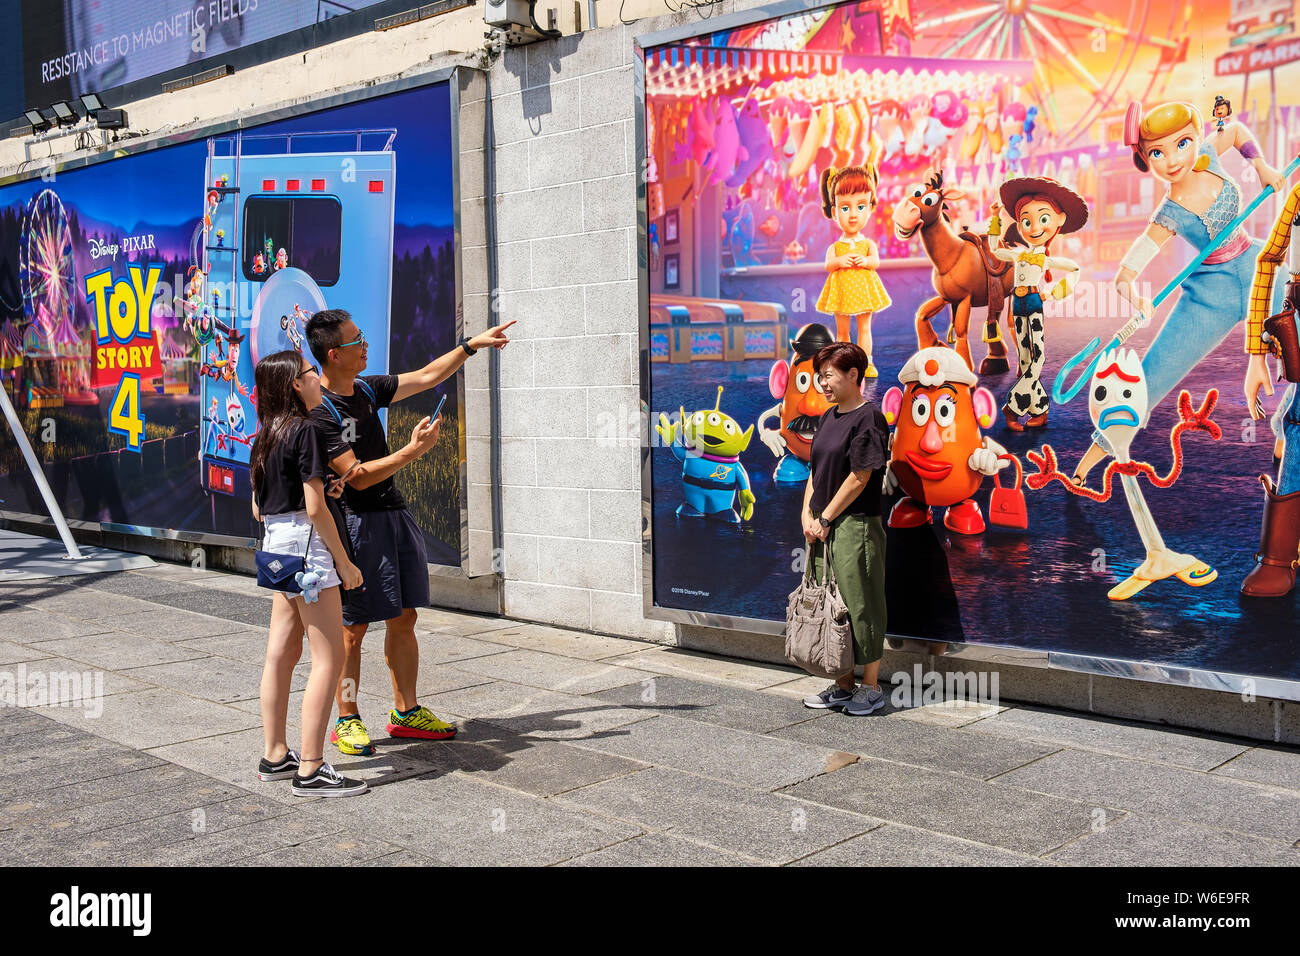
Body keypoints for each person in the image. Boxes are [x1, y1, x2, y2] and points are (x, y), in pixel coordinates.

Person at [304, 309, 514, 756]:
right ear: (333, 353)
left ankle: (406, 712)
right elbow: (356, 476)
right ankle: (347, 719)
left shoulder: (365, 387)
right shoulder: (320, 412)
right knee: (352, 628)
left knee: (404, 616)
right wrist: (414, 451)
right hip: (354, 525)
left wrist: (471, 345)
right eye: (357, 339)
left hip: (393, 516)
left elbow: (426, 375)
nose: (366, 344)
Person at [1070, 100, 1286, 486]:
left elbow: (1235, 132)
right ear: (1144, 158)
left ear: (1196, 137)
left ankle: (1290, 427)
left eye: (1181, 144)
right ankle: (1088, 462)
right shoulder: (1168, 213)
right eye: (1157, 152)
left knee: (1298, 331)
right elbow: (1126, 272)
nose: (1171, 160)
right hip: (1209, 296)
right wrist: (1133, 295)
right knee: (1153, 375)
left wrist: (1262, 166)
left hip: (1257, 266)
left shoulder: (1208, 154)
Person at [250, 349, 368, 797]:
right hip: (309, 554)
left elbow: (261, 507)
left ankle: (276, 754)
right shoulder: (307, 430)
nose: (318, 377)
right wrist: (344, 562)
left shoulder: (266, 435)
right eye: (310, 373)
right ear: (295, 385)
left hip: (277, 551)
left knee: (280, 653)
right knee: (329, 658)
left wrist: (324, 489)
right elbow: (316, 508)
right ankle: (312, 768)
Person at [799, 341, 891, 716]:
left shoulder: (869, 418)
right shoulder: (828, 417)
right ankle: (843, 684)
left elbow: (860, 476)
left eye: (829, 375)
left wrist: (824, 518)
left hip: (854, 526)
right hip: (822, 526)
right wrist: (807, 514)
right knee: (831, 604)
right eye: (820, 376)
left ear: (854, 375)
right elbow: (815, 472)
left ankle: (870, 687)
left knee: (861, 602)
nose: (822, 383)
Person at [988, 177, 1086, 431]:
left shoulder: (1043, 256)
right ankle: (1039, 410)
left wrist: (1053, 293)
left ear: (1059, 220)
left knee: (1037, 358)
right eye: (1026, 221)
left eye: (1043, 219)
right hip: (1017, 304)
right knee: (1024, 359)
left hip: (1033, 302)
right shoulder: (1019, 253)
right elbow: (995, 250)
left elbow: (1075, 269)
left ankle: (1012, 407)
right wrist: (996, 219)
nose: (1033, 227)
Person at [816, 163, 891, 374]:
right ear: (834, 211)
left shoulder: (867, 244)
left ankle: (866, 362)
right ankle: (843, 363)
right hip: (842, 293)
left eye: (860, 206)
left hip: (864, 293)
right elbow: (829, 264)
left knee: (865, 328)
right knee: (842, 332)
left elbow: (875, 261)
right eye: (845, 208)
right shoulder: (835, 247)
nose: (853, 215)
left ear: (870, 207)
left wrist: (865, 262)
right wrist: (840, 262)